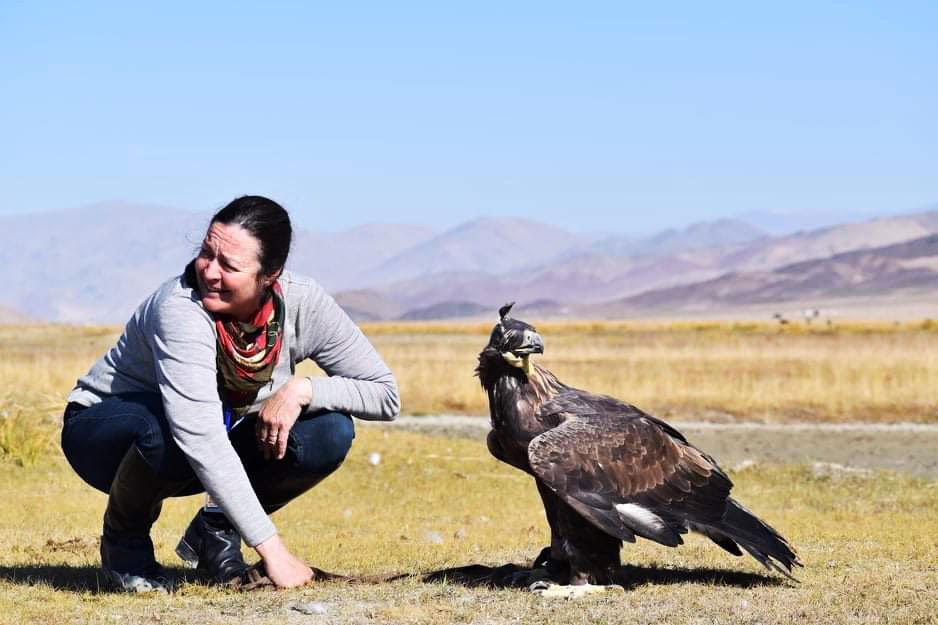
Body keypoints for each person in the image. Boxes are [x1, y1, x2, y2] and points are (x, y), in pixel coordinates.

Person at [61, 195, 400, 592]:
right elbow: (199, 436)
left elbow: (385, 394)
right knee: (166, 427)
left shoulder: (303, 301)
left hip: (202, 440)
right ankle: (125, 547)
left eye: (230, 265)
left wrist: (303, 389)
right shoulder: (180, 309)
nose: (209, 271)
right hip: (107, 434)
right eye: (207, 253)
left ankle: (214, 532)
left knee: (328, 431)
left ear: (270, 275)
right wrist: (274, 551)